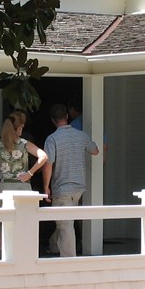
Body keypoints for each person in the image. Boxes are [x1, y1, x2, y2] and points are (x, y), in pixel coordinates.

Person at [41, 103, 99, 257]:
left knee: (65, 224)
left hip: (62, 187)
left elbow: (48, 164)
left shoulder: (52, 139)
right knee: (64, 221)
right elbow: (95, 151)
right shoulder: (82, 135)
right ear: (67, 117)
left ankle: (69, 260)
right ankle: (54, 246)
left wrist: (46, 187)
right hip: (79, 187)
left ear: (53, 120)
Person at [0, 112, 47, 258]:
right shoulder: (25, 144)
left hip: (3, 187)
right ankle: (24, 251)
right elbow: (44, 156)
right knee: (25, 221)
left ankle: (1, 249)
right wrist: (30, 173)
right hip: (23, 187)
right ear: (19, 128)